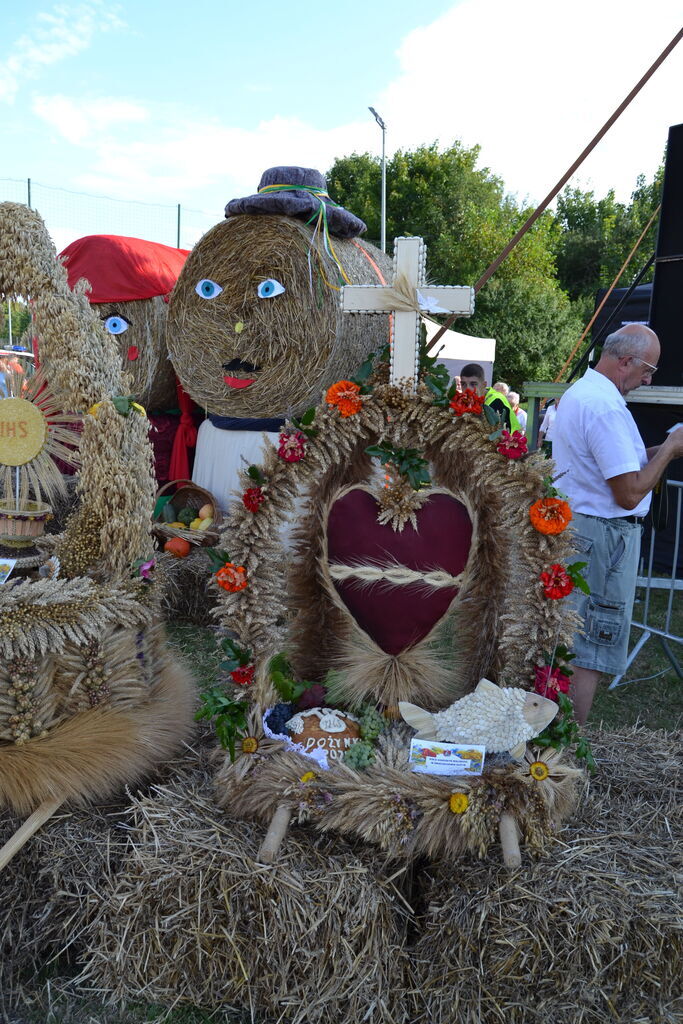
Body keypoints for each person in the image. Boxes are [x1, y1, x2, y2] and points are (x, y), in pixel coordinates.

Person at [553, 324, 683, 724]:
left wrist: (664, 450)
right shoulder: (605, 406)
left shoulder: (585, 393)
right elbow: (628, 493)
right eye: (648, 371)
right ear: (625, 361)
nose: (647, 380)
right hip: (603, 537)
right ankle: (567, 747)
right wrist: (672, 449)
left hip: (587, 531)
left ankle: (554, 742)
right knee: (590, 643)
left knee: (575, 639)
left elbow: (620, 463)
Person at [459, 363, 521, 431]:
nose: (468, 389)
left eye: (473, 384)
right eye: (463, 384)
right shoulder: (467, 400)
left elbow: (495, 433)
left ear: (484, 385)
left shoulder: (496, 400)